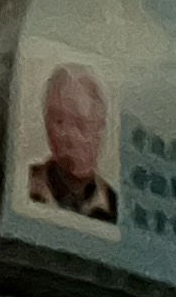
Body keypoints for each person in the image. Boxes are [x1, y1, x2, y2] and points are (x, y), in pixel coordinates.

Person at [25, 65, 115, 221]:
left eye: (80, 125)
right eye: (58, 121)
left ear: (99, 131)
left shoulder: (116, 206)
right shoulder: (23, 185)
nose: (68, 136)